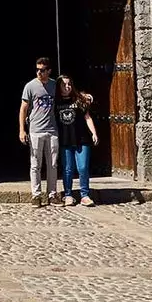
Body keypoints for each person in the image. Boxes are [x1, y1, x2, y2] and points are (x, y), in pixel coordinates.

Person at [19, 56, 61, 207]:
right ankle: (36, 195)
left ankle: (52, 194)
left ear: (49, 71)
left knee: (53, 164)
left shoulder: (54, 85)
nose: (39, 72)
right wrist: (22, 130)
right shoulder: (30, 86)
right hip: (36, 130)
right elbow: (23, 108)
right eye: (37, 69)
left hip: (52, 130)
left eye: (42, 70)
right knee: (35, 164)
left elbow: (68, 95)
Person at [56, 74, 99, 207]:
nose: (67, 87)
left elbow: (87, 117)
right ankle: (68, 194)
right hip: (65, 140)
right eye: (64, 85)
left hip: (82, 139)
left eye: (69, 84)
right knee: (68, 169)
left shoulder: (79, 99)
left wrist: (94, 133)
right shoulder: (55, 102)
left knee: (83, 167)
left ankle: (84, 195)